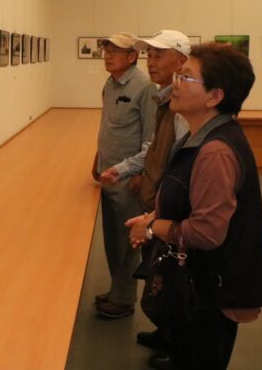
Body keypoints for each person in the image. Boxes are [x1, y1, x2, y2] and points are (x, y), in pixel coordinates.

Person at [126, 43, 262, 370]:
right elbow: (188, 200)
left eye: (186, 77)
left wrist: (153, 227)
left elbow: (207, 232)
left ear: (214, 96)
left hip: (209, 295)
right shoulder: (197, 137)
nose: (175, 83)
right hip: (193, 289)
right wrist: (155, 215)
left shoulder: (215, 152)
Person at [98, 30, 190, 364]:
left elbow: (170, 156)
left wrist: (137, 177)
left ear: (181, 61)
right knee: (154, 264)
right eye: (150, 55)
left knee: (169, 269)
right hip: (142, 187)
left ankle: (172, 339)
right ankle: (164, 330)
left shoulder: (168, 100)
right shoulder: (161, 98)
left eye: (158, 56)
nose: (152, 62)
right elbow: (154, 148)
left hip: (160, 197)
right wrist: (116, 167)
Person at [92, 32, 157, 318]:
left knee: (128, 242)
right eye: (106, 50)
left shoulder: (144, 87)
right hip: (108, 174)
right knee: (112, 239)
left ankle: (124, 300)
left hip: (128, 178)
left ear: (132, 57)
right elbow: (109, 126)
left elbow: (151, 137)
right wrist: (97, 160)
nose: (107, 55)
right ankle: (118, 289)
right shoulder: (110, 83)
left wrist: (140, 174)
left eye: (115, 51)